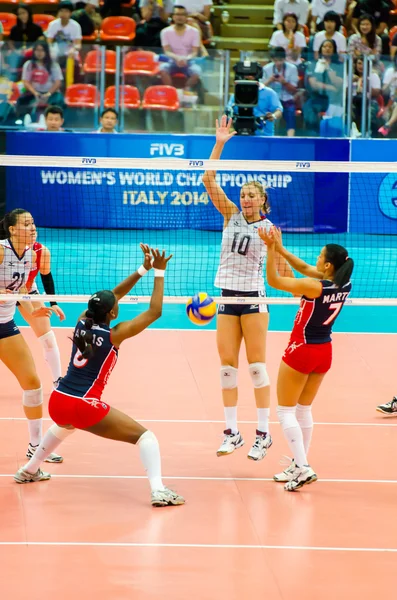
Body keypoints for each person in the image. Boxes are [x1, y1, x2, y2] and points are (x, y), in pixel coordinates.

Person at [14, 245, 185, 508]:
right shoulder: (115, 335)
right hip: (84, 403)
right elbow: (154, 312)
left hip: (58, 400)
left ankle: (29, 469)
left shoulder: (82, 320)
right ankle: (159, 490)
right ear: (113, 313)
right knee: (146, 437)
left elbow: (112, 296)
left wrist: (143, 269)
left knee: (63, 426)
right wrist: (159, 272)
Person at [202, 116, 293, 461]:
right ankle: (231, 433)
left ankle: (263, 434)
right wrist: (221, 143)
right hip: (226, 296)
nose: (245, 198)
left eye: (251, 195)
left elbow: (281, 271)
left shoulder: (270, 229)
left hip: (254, 298)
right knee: (227, 368)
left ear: (263, 201)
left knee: (256, 367)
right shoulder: (230, 215)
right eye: (243, 194)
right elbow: (208, 178)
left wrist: (300, 284)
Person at [258, 226, 353, 491]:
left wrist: (269, 250)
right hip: (324, 352)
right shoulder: (343, 282)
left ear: (328, 264)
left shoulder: (314, 287)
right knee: (303, 410)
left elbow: (275, 282)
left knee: (285, 411)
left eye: (320, 257)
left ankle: (303, 467)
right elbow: (303, 267)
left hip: (302, 349)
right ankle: (300, 463)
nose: (316, 260)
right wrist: (280, 247)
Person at [0, 209, 63, 463]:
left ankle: (36, 447)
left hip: (4, 325)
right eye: (27, 224)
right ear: (12, 229)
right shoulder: (1, 251)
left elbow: (25, 286)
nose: (33, 227)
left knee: (33, 386)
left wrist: (45, 304)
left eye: (34, 222)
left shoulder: (32, 254)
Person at [16, 234, 65, 386]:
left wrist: (53, 302)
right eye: (27, 226)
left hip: (28, 291)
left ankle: (57, 381)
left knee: (48, 338)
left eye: (33, 226)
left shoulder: (40, 251)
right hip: (4, 291)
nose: (32, 231)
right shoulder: (4, 251)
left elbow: (46, 275)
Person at [17, 41, 64, 119]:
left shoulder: (53, 65)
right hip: (33, 93)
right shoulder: (28, 64)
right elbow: (26, 82)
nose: (39, 53)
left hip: (51, 93)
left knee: (59, 101)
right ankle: (22, 122)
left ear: (46, 52)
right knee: (21, 101)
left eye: (42, 50)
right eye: (37, 50)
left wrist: (48, 94)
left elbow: (57, 82)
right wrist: (35, 93)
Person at [159, 5, 202, 91]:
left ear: (186, 17)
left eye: (182, 15)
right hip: (171, 60)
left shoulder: (194, 32)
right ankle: (171, 91)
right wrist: (177, 58)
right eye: (177, 14)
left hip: (189, 60)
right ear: (173, 17)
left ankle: (185, 91)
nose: (180, 17)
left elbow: (194, 52)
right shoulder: (165, 32)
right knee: (162, 68)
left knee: (197, 71)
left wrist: (185, 59)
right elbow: (167, 51)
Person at [262, 46, 299, 136]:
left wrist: (284, 82)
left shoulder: (292, 68)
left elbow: (294, 89)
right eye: (276, 60)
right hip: (271, 100)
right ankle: (268, 135)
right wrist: (270, 80)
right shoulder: (266, 69)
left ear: (284, 59)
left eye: (280, 60)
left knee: (290, 112)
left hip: (287, 98)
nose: (278, 63)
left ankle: (291, 138)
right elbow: (261, 87)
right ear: (272, 59)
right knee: (266, 113)